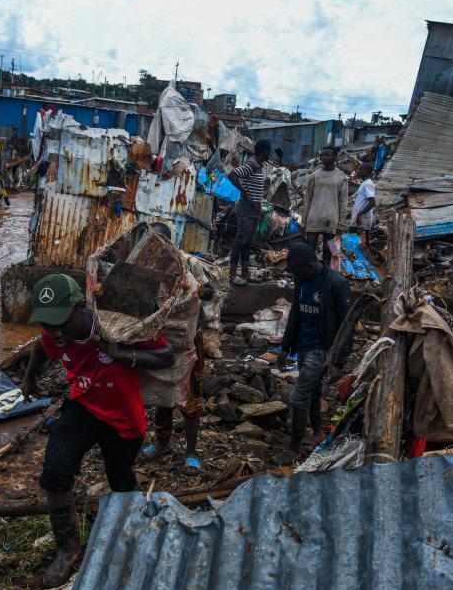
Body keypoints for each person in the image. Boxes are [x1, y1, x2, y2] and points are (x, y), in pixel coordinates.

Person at [21, 273, 174, 586]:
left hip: (123, 418)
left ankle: (139, 527)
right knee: (55, 472)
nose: (55, 332)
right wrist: (28, 377)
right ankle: (67, 550)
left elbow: (166, 354)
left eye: (61, 322)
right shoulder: (53, 334)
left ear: (80, 308)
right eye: (47, 324)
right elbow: (43, 347)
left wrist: (123, 354)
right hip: (83, 406)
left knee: (120, 478)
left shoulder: (114, 326)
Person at [140, 222, 216, 471]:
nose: (156, 247)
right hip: (161, 336)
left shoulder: (188, 263)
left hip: (189, 335)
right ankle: (162, 441)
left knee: (191, 392)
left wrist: (193, 288)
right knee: (162, 386)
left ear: (169, 243)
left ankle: (191, 450)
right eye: (150, 241)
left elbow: (211, 293)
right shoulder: (144, 267)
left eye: (160, 241)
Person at [280, 241, 352, 457]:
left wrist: (338, 362)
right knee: (312, 392)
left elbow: (347, 326)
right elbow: (295, 314)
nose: (296, 275)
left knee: (299, 396)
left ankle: (294, 447)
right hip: (303, 345)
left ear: (311, 266)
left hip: (322, 350)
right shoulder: (302, 279)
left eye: (298, 271)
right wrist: (285, 347)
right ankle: (318, 430)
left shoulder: (336, 284)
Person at [226, 138, 271, 286]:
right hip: (246, 210)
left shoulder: (258, 166)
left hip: (254, 211)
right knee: (240, 242)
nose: (270, 154)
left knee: (247, 243)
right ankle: (232, 274)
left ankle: (245, 273)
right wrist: (243, 191)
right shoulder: (251, 164)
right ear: (264, 152)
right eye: (269, 151)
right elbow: (232, 175)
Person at [299, 147, 350, 262]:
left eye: (327, 155)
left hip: (331, 219)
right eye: (322, 155)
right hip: (313, 217)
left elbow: (343, 202)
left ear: (335, 157)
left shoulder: (342, 177)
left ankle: (325, 274)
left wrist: (341, 224)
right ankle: (310, 275)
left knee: (328, 251)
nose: (324, 157)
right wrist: (303, 221)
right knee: (310, 249)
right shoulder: (314, 175)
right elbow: (308, 198)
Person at [351, 160, 377, 233]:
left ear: (366, 171)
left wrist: (360, 214)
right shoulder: (365, 183)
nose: (358, 171)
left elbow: (372, 202)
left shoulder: (367, 184)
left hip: (361, 220)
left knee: (357, 242)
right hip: (359, 219)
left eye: (360, 169)